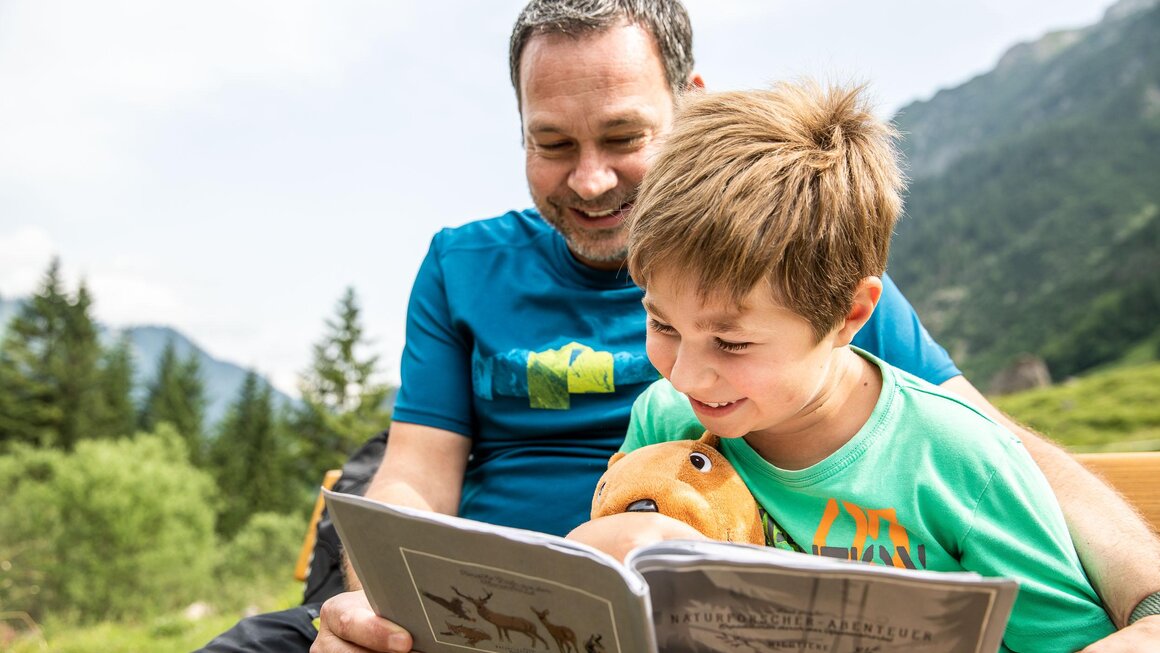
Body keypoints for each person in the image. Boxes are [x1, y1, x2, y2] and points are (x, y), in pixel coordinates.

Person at [198, 1, 1160, 651]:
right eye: (552, 143)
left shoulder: (801, 273)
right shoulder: (464, 264)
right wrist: (382, 593)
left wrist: (1149, 592)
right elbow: (414, 468)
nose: (588, 179)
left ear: (690, 110)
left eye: (621, 137)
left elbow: (990, 443)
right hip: (475, 612)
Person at [568, 80, 1114, 651]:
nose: (684, 376)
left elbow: (1072, 642)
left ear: (849, 314)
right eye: (663, 326)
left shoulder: (961, 463)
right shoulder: (664, 418)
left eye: (731, 343)